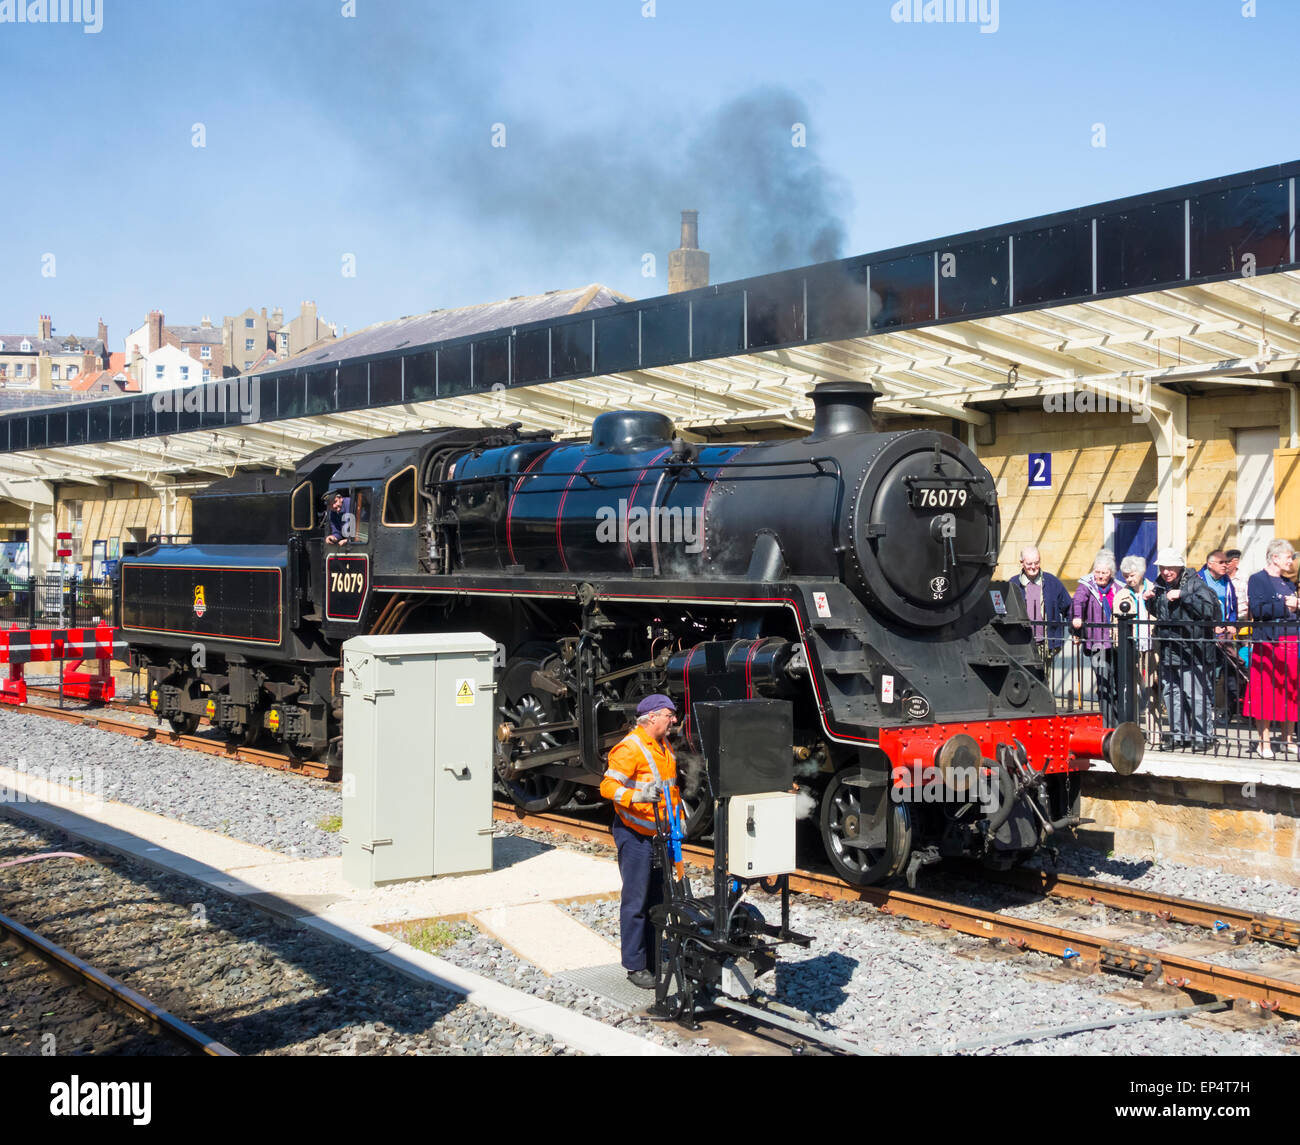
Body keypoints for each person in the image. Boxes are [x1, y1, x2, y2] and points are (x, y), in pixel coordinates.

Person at [600, 694, 682, 989]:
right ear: (651, 718)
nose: (674, 720)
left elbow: (671, 788)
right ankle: (635, 965)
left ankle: (652, 958)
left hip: (658, 834)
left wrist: (679, 816)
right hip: (634, 834)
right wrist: (636, 796)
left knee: (657, 900)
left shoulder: (663, 746)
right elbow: (607, 786)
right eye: (669, 715)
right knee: (635, 901)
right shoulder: (630, 748)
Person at [1148, 549, 1219, 750]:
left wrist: (1183, 595)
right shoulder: (1159, 584)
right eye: (1163, 568)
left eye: (1170, 568)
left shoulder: (1195, 583)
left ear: (1179, 567)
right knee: (1172, 693)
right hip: (1168, 648)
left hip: (1192, 649)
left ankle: (1202, 736)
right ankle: (1178, 735)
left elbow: (1208, 610)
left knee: (1194, 694)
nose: (1166, 571)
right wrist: (1150, 600)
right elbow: (1161, 611)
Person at [1242, 538, 1300, 758]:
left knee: (1291, 692)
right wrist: (1285, 605)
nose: (1292, 561)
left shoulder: (1288, 583)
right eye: (1289, 557)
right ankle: (1264, 743)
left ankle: (1288, 739)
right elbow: (1258, 611)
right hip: (1268, 644)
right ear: (1275, 557)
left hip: (1292, 642)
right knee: (1266, 693)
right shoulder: (1258, 580)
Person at [1071, 550, 1118, 724]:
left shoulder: (1117, 587)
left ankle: (1119, 722)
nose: (1099, 576)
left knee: (1116, 683)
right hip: (1096, 643)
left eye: (1104, 572)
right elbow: (1078, 601)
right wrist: (1077, 618)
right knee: (1104, 682)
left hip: (1116, 644)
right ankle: (1107, 724)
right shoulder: (1086, 585)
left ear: (1111, 573)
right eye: (1097, 572)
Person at [1005, 546, 1072, 663]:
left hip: (1046, 643)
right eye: (1029, 563)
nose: (1033, 567)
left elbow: (1069, 607)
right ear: (1022, 563)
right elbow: (1005, 612)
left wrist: (1075, 630)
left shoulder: (1052, 582)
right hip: (1021, 644)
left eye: (1036, 563)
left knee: (1044, 679)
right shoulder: (1013, 583)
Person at [1116, 554, 1159, 731]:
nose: (1129, 579)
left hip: (1151, 647)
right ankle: (1132, 732)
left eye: (1132, 575)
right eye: (1126, 576)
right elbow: (1115, 622)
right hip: (1131, 647)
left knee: (1151, 690)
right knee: (1131, 691)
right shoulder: (1122, 594)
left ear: (1141, 573)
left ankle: (1154, 733)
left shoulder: (1155, 590)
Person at [1198, 549, 1242, 718]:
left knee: (1230, 670)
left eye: (1227, 562)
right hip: (1206, 635)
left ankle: (1229, 710)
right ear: (1210, 564)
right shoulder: (1199, 580)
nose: (1226, 565)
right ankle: (1206, 709)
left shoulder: (1226, 582)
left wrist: (1231, 623)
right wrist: (1210, 626)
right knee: (1208, 673)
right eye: (1222, 562)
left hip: (1225, 636)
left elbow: (1233, 606)